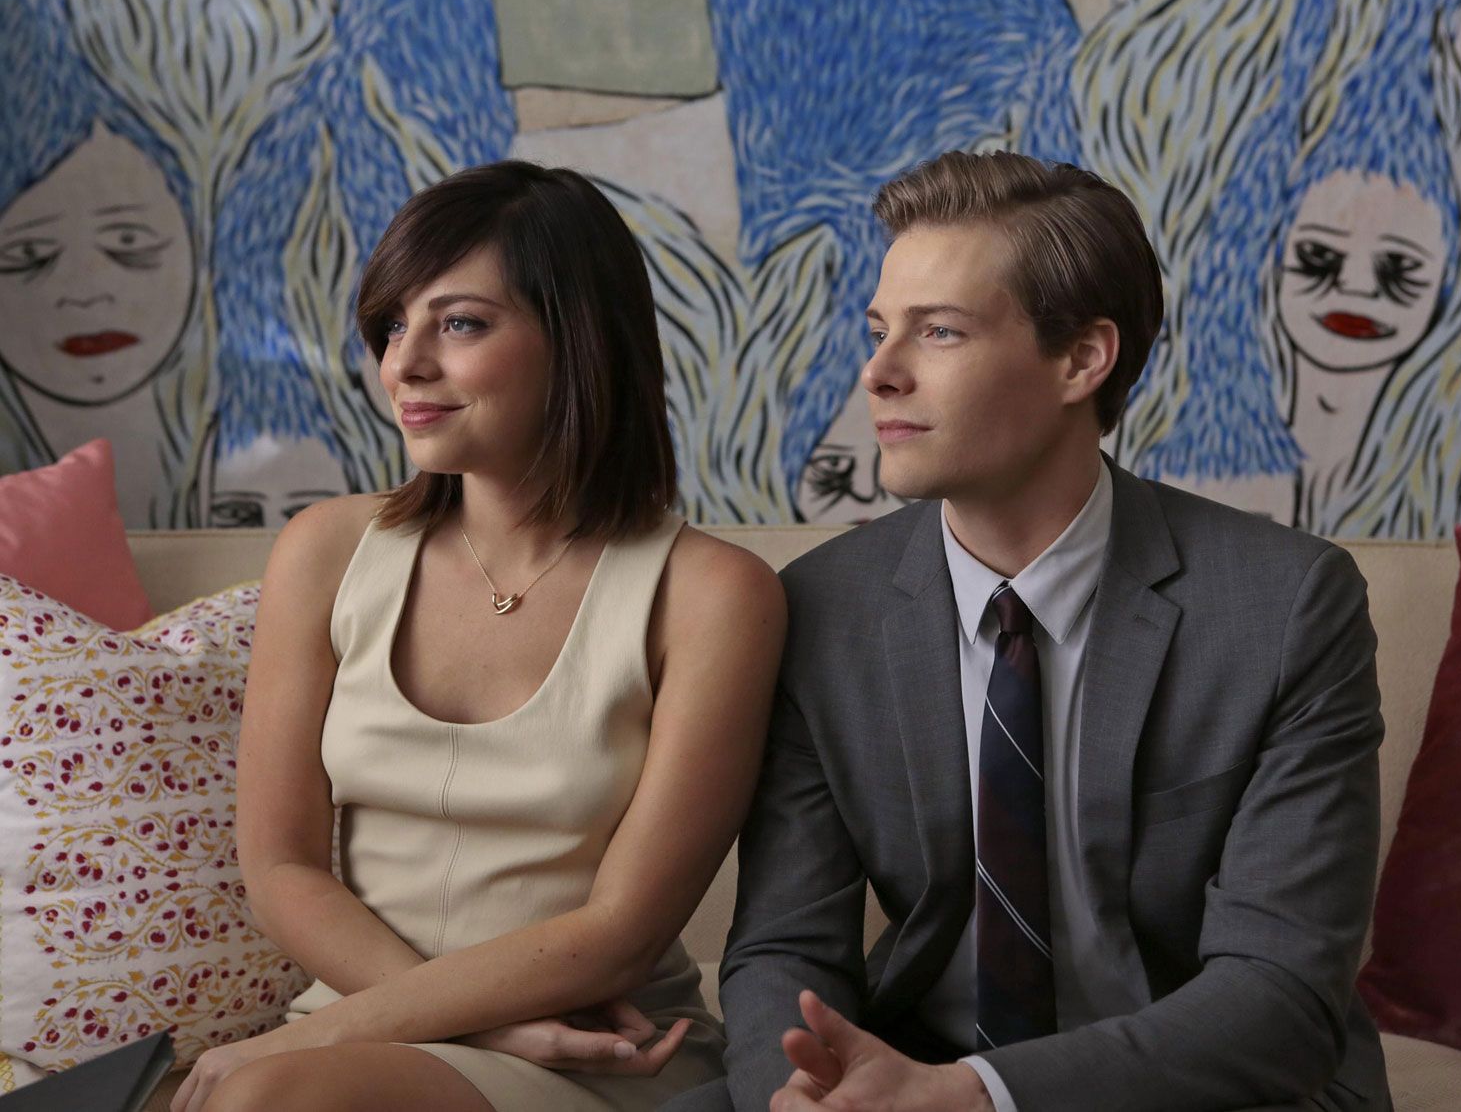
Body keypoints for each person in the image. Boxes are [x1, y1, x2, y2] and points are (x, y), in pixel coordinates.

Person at [666, 150, 1389, 1111]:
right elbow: (783, 944)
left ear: (1082, 359)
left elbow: (1279, 997)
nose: (878, 373)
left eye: (939, 331)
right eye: (879, 331)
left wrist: (976, 1095)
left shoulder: (1288, 604)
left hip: (1204, 1088)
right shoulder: (822, 609)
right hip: (914, 1067)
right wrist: (800, 1091)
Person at [170, 161, 786, 1112]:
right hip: (360, 1028)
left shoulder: (713, 594)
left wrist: (344, 1038)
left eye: (459, 323)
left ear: (578, 338)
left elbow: (620, 930)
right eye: (392, 325)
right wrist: (460, 1023)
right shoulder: (324, 550)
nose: (404, 364)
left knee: (265, 1099)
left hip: (589, 1051)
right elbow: (282, 866)